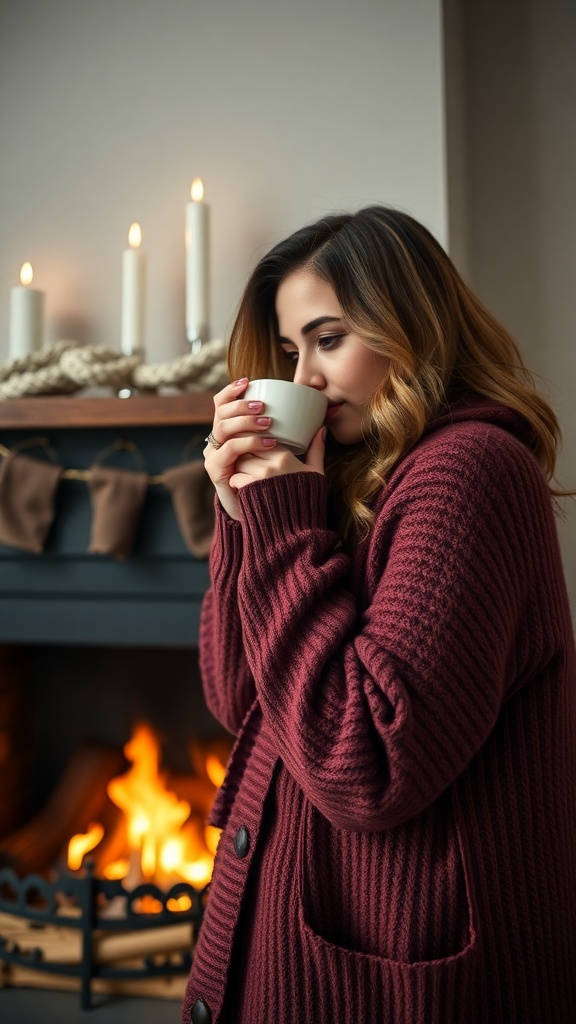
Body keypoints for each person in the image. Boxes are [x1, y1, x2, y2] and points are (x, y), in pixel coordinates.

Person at [182, 206, 576, 1024]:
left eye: (328, 340)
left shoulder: (469, 471)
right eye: (290, 352)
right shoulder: (350, 481)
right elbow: (239, 701)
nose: (305, 379)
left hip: (393, 972)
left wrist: (281, 523)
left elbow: (365, 767)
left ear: (413, 327)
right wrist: (239, 516)